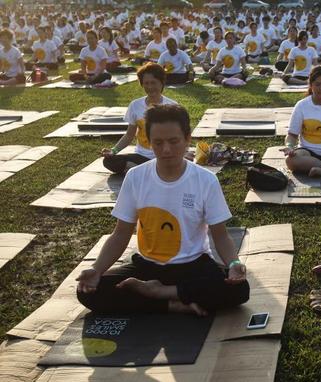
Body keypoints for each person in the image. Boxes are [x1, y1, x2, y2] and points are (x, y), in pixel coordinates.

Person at [77, 104, 250, 316]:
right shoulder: (136, 177)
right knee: (88, 291)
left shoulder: (205, 180)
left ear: (187, 138)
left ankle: (161, 293)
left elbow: (220, 235)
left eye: (174, 141)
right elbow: (121, 233)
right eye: (158, 143)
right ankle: (172, 302)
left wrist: (233, 263)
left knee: (239, 290)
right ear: (148, 142)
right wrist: (96, 270)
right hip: (147, 266)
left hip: (193, 265)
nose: (166, 149)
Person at [101, 63, 177, 174]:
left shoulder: (173, 106)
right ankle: (145, 171)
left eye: (153, 83)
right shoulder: (135, 105)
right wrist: (113, 151)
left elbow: (178, 137)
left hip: (164, 156)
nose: (150, 87)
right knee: (109, 161)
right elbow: (129, 135)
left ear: (162, 83)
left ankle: (139, 171)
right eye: (146, 83)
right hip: (141, 156)